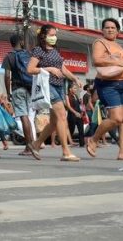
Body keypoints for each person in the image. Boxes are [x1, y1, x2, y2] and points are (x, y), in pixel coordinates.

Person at [86, 18, 123, 160]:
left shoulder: (118, 45)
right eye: (107, 27)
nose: (110, 29)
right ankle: (93, 140)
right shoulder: (99, 42)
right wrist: (116, 60)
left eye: (113, 27)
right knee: (116, 118)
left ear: (117, 31)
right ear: (102, 30)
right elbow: (96, 60)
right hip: (108, 84)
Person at [27, 25, 81, 161]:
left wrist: (74, 78)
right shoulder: (38, 50)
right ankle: (66, 152)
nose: (54, 37)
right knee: (62, 116)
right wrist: (49, 68)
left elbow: (62, 68)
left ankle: (36, 144)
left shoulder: (56, 50)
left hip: (59, 86)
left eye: (55, 35)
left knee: (54, 122)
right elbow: (30, 69)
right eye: (51, 35)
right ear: (43, 36)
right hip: (47, 86)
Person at [2, 33, 38, 158]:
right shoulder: (28, 54)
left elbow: (7, 76)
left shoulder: (9, 56)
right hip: (30, 89)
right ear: (21, 42)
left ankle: (29, 146)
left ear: (11, 44)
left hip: (18, 89)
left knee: (23, 117)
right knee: (28, 117)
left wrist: (8, 92)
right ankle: (32, 144)